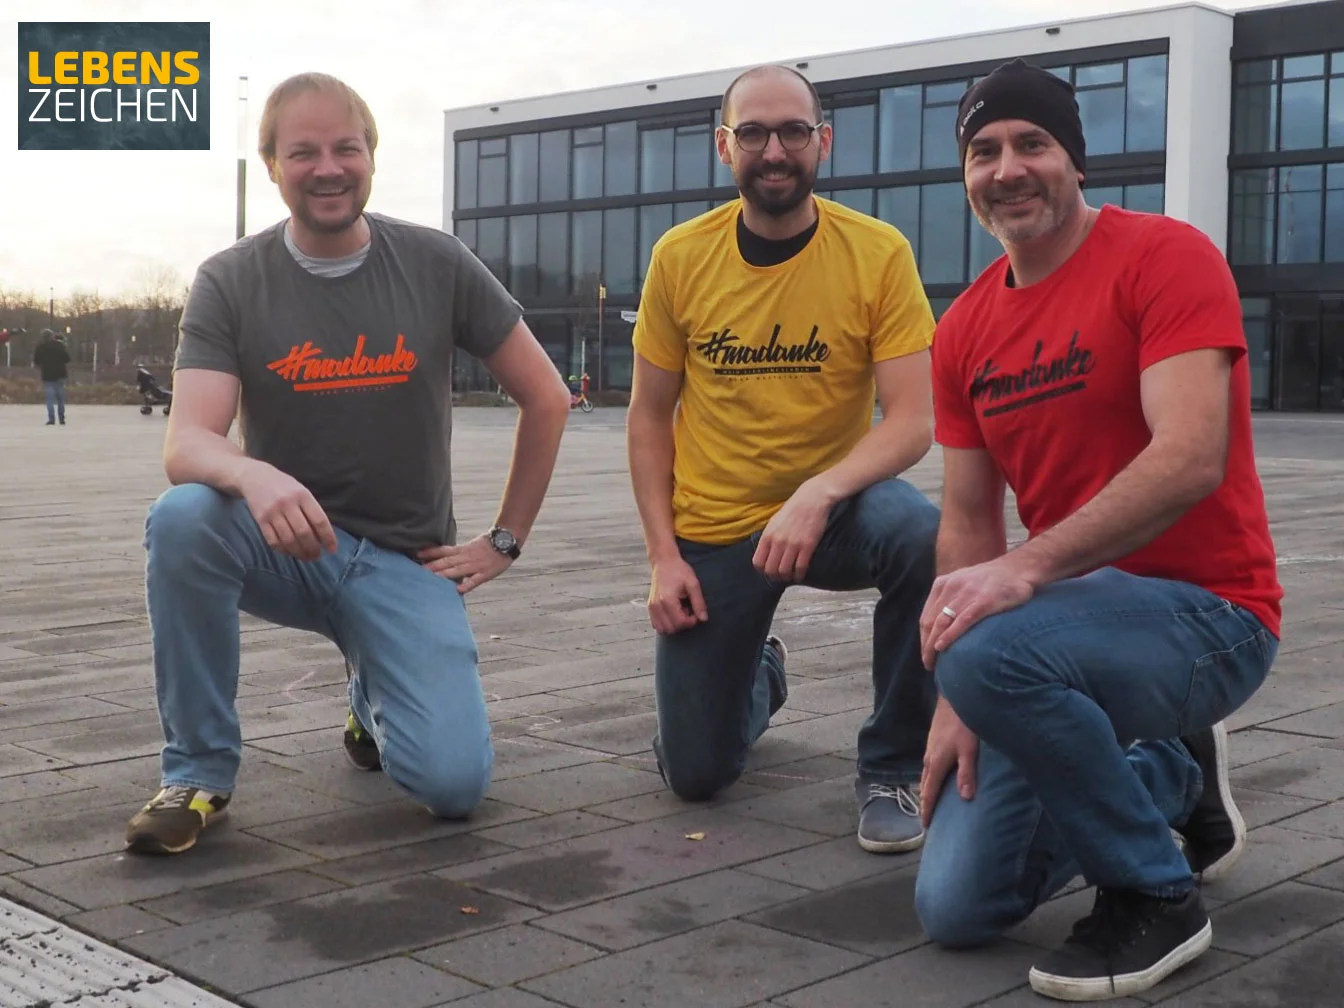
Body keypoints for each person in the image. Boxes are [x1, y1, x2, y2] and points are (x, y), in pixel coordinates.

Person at [123, 72, 571, 855]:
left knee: (453, 788)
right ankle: (197, 771)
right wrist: (255, 474)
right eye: (303, 152)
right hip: (289, 545)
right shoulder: (231, 279)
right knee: (185, 518)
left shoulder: (435, 262)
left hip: (406, 563)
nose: (327, 168)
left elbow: (548, 397)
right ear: (272, 165)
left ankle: (373, 700)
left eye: (345, 148)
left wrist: (505, 539)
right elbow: (186, 442)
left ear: (371, 155)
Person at [912, 58, 1282, 1001]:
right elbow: (967, 518)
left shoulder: (1165, 256)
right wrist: (959, 697)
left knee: (991, 646)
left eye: (1032, 144)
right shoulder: (964, 329)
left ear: (1075, 161)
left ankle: (1155, 893)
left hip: (1210, 616)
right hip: (1064, 637)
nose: (1008, 169)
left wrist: (1022, 576)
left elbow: (1190, 456)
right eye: (984, 151)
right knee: (956, 908)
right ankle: (1169, 772)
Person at [627, 64, 940, 854]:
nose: (775, 150)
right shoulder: (680, 257)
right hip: (715, 529)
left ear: (822, 141)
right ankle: (760, 672)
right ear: (723, 146)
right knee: (695, 774)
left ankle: (893, 767)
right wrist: (663, 558)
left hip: (834, 516)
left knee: (924, 537)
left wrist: (820, 491)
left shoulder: (876, 253)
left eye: (794, 131)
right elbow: (649, 417)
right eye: (754, 133)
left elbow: (913, 421)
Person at [33, 328, 70, 425]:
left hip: (47, 375)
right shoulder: (59, 345)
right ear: (52, 336)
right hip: (60, 374)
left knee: (50, 399)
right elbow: (67, 359)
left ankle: (51, 419)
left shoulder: (40, 347)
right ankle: (61, 418)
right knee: (60, 399)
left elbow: (36, 361)